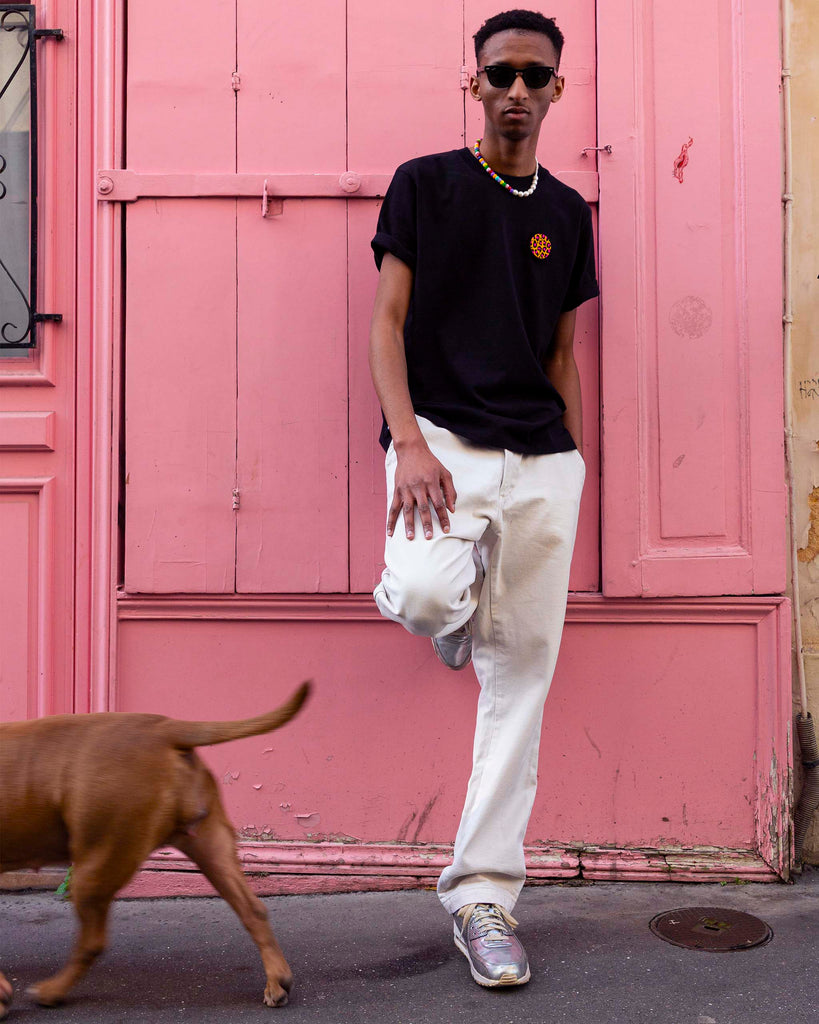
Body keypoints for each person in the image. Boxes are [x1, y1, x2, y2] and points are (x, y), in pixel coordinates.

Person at [368, 9, 598, 989]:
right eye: (498, 72)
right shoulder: (425, 184)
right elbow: (386, 319)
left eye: (532, 76)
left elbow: (563, 353)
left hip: (541, 458)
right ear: (476, 84)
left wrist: (575, 466)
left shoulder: (569, 212)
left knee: (521, 683)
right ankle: (458, 617)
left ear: (554, 91)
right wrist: (410, 441)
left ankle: (483, 894)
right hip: (446, 447)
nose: (515, 89)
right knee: (424, 596)